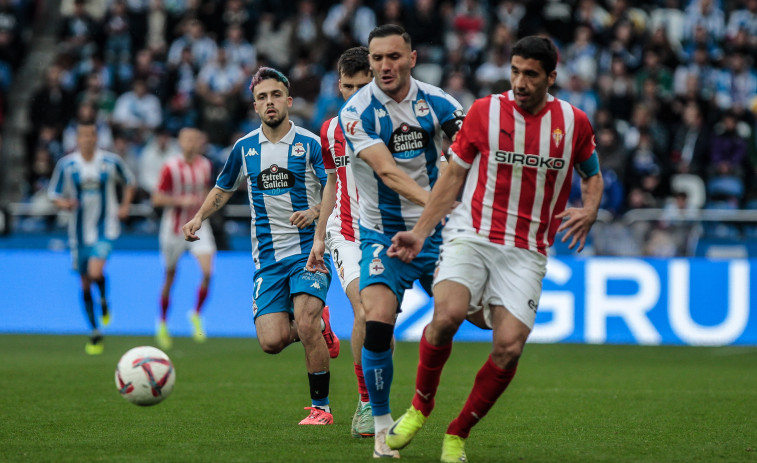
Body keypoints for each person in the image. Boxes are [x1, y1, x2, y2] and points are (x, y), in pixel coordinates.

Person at [384, 36, 603, 462]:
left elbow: (592, 173)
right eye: (515, 71)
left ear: (551, 77)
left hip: (527, 250)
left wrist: (590, 209)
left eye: (531, 75)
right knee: (445, 316)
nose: (520, 82)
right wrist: (423, 231)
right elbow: (451, 178)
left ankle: (458, 432)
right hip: (473, 232)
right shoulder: (486, 112)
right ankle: (420, 406)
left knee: (508, 347)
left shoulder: (574, 123)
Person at [182, 67, 339, 425]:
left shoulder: (310, 144)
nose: (270, 102)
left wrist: (314, 211)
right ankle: (319, 326)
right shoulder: (244, 148)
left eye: (276, 95)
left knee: (305, 319)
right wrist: (198, 217)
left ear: (289, 101)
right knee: (272, 341)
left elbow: (337, 190)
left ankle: (321, 408)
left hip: (308, 251)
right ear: (255, 106)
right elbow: (223, 188)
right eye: (263, 97)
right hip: (267, 259)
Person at [337, 24, 465, 458]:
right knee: (377, 321)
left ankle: (426, 404)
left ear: (412, 58)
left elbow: (470, 157)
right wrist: (438, 201)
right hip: (383, 235)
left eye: (394, 57)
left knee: (472, 319)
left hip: (437, 236)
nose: (384, 66)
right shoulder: (355, 113)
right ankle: (381, 426)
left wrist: (451, 200)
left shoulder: (441, 103)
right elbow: (388, 172)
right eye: (377, 59)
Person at [306, 46, 374, 438]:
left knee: (380, 322)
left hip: (384, 235)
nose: (354, 94)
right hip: (344, 232)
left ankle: (374, 399)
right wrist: (319, 235)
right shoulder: (330, 129)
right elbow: (332, 182)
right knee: (365, 310)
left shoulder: (390, 125)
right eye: (347, 86)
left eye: (361, 85)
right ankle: (367, 405)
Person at [48, 120, 136, 355]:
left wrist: (125, 205)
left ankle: (104, 300)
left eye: (91, 134)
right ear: (77, 139)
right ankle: (95, 329)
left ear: (96, 138)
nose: (88, 139)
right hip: (77, 233)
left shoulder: (109, 162)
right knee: (85, 282)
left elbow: (129, 181)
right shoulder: (67, 165)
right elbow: (53, 194)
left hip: (106, 227)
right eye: (83, 135)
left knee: (96, 272)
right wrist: (64, 203)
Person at [152, 128, 216, 350]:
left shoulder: (205, 165)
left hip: (199, 224)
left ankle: (196, 314)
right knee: (170, 276)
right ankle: (162, 322)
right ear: (179, 142)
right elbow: (157, 198)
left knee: (208, 272)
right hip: (174, 228)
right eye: (187, 139)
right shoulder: (171, 166)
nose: (191, 143)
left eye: (195, 139)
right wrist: (181, 200)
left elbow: (207, 191)